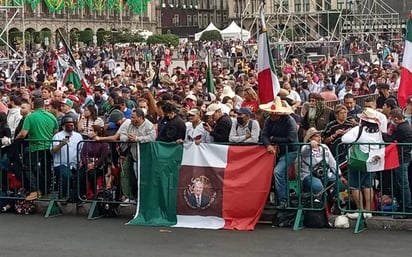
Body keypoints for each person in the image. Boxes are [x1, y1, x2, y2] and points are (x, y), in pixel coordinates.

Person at [341, 108, 384, 219]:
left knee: (354, 186)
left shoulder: (358, 130)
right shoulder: (378, 132)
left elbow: (344, 139)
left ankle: (360, 210)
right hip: (372, 161)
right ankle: (368, 210)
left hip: (358, 161)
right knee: (368, 185)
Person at [16, 98, 59, 200]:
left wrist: (15, 141)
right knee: (46, 170)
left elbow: (23, 133)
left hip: (35, 147)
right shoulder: (52, 116)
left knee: (27, 167)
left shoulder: (30, 117)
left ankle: (35, 190)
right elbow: (56, 132)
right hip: (48, 147)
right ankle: (46, 191)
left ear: (33, 105)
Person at [260, 96, 298, 208]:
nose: (271, 115)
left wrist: (273, 139)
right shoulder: (268, 121)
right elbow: (264, 135)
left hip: (290, 151)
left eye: (273, 113)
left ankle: (283, 199)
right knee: (278, 174)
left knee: (277, 172)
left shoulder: (290, 121)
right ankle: (278, 198)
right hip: (278, 152)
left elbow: (291, 138)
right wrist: (268, 145)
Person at [119, 108, 156, 205]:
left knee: (145, 180)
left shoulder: (149, 125)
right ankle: (138, 200)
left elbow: (152, 137)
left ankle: (147, 201)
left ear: (140, 117)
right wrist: (128, 138)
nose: (132, 119)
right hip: (135, 157)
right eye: (131, 117)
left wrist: (137, 139)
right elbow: (121, 136)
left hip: (146, 158)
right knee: (137, 180)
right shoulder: (130, 125)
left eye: (134, 117)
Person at [301, 127, 347, 195]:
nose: (319, 138)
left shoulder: (324, 146)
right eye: (316, 136)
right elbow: (304, 152)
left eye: (319, 136)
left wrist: (340, 175)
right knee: (318, 187)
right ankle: (320, 202)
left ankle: (331, 198)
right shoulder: (305, 147)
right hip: (309, 175)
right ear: (310, 138)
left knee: (342, 185)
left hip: (326, 173)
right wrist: (310, 145)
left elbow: (332, 162)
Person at [384, 108, 412, 215]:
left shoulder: (401, 128)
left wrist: (382, 135)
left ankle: (407, 207)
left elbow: (390, 139)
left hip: (401, 158)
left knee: (403, 184)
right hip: (404, 157)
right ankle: (404, 205)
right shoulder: (406, 126)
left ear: (396, 118)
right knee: (402, 183)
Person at [51, 116, 83, 200]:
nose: (70, 127)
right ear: (63, 126)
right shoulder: (57, 136)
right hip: (60, 163)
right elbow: (52, 150)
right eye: (68, 125)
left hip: (75, 164)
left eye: (72, 125)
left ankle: (76, 197)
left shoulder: (78, 136)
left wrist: (81, 161)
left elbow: (81, 150)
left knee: (80, 177)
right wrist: (61, 144)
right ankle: (63, 196)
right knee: (67, 176)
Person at [78, 125, 110, 200]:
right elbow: (82, 154)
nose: (89, 132)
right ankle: (80, 195)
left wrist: (94, 165)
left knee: (92, 174)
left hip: (99, 166)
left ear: (96, 132)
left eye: (91, 130)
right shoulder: (86, 142)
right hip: (87, 164)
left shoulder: (103, 144)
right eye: (89, 130)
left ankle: (95, 193)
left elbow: (103, 157)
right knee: (80, 174)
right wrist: (87, 164)